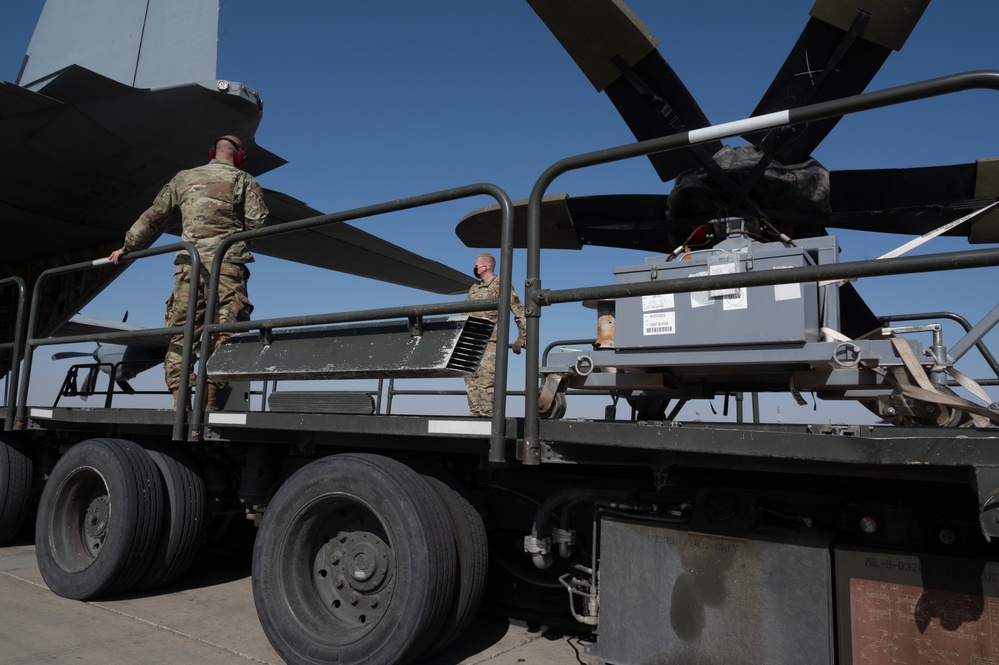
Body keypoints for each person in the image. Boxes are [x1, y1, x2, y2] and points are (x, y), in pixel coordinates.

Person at [109, 135, 268, 411]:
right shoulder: (245, 181)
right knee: (225, 333)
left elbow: (154, 215)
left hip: (188, 269)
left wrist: (127, 247)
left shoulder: (183, 178)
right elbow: (258, 222)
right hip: (227, 267)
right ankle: (208, 401)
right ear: (240, 156)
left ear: (212, 152)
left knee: (181, 333)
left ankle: (179, 401)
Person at [464, 253, 528, 417]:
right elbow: (464, 315)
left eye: (477, 265)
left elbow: (520, 312)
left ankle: (488, 421)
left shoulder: (502, 286)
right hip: (471, 341)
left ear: (485, 267)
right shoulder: (474, 289)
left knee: (486, 383)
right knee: (470, 380)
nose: (475, 268)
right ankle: (474, 417)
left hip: (490, 342)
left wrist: (522, 337)